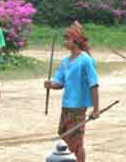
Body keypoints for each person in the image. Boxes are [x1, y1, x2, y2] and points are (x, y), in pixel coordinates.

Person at [44, 22, 100, 162]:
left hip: (79, 107)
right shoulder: (65, 62)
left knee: (77, 143)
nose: (65, 42)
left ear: (75, 41)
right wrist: (50, 85)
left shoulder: (86, 60)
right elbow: (60, 83)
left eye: (67, 39)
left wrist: (96, 109)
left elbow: (94, 85)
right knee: (65, 140)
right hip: (66, 106)